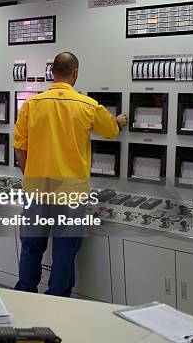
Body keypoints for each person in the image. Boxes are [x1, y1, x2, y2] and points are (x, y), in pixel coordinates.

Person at [12, 52, 127, 297]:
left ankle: (25, 295)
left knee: (31, 247)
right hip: (71, 193)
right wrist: (119, 120)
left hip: (36, 190)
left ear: (52, 72)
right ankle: (57, 300)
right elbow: (111, 131)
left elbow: (19, 147)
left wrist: (30, 175)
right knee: (65, 250)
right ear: (74, 72)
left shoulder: (31, 105)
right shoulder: (88, 105)